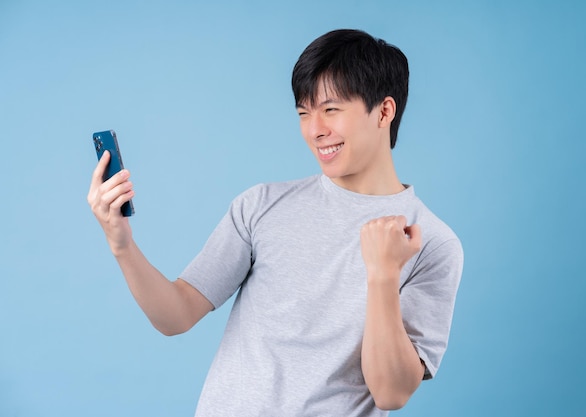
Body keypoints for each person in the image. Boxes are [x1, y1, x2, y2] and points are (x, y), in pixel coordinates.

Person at [87, 29, 463, 417]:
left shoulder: (431, 242)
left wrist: (383, 274)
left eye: (331, 109)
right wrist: (121, 242)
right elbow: (175, 316)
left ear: (384, 111)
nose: (314, 129)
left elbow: (390, 393)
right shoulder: (261, 205)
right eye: (304, 112)